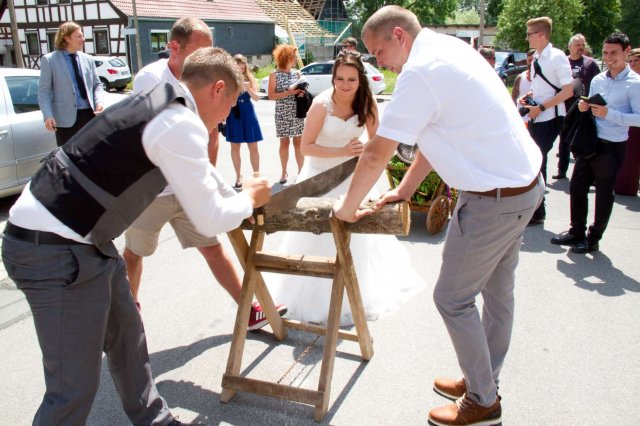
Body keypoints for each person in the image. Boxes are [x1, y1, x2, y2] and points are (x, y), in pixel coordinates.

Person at [2, 47, 271, 426]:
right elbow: (209, 219)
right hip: (53, 250)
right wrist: (249, 199)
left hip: (84, 240)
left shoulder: (162, 100)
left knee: (129, 341)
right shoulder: (181, 123)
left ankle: (156, 421)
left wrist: (236, 195)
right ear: (218, 89)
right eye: (231, 105)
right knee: (72, 390)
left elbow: (203, 175)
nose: (228, 116)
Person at [333, 6, 543, 425]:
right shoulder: (447, 49)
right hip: (522, 188)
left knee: (452, 298)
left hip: (492, 200)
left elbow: (376, 153)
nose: (379, 63)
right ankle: (484, 379)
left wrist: (347, 208)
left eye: (378, 52)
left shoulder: (420, 72)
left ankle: (483, 401)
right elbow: (435, 134)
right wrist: (405, 190)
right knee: (498, 295)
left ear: (398, 35)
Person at [123, 18, 282, 330]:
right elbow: (181, 157)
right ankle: (128, 312)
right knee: (134, 253)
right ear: (174, 47)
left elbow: (197, 163)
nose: (203, 60)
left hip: (184, 187)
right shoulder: (154, 84)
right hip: (150, 192)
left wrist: (231, 197)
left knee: (213, 248)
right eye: (198, 52)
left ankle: (248, 309)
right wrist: (245, 202)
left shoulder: (195, 95)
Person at [266, 52, 426, 325]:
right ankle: (313, 296)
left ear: (360, 79)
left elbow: (378, 142)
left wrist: (365, 151)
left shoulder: (368, 103)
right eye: (339, 79)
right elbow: (306, 148)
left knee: (357, 239)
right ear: (333, 78)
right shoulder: (321, 105)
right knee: (316, 236)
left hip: (354, 176)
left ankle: (354, 289)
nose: (345, 85)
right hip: (320, 176)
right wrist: (342, 151)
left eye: (351, 79)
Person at [551, 32, 640, 254]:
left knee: (603, 192)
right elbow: (591, 106)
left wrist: (610, 114)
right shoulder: (599, 79)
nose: (608, 58)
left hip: (612, 145)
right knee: (577, 186)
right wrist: (584, 107)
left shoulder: (635, 83)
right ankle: (576, 232)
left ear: (627, 52)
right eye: (605, 52)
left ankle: (593, 238)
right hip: (590, 140)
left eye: (614, 53)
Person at [522, 16, 573, 226]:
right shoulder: (537, 57)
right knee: (535, 162)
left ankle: (538, 211)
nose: (527, 38)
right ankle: (536, 210)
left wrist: (541, 107)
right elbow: (542, 88)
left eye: (530, 34)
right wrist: (529, 97)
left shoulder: (556, 57)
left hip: (550, 117)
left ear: (541, 35)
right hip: (538, 115)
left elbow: (568, 91)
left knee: (537, 162)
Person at [38, 21, 104, 146]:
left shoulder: (88, 59)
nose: (83, 39)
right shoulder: (50, 60)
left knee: (92, 153)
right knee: (68, 156)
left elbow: (97, 85)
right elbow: (44, 91)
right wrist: (47, 115)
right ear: (66, 38)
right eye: (79, 36)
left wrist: (99, 102)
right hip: (65, 121)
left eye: (82, 36)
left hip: (90, 115)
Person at [555, 33, 602, 179]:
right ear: (569, 47)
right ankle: (561, 170)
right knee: (563, 140)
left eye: (583, 45)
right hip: (564, 107)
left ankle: (584, 173)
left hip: (583, 108)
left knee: (580, 140)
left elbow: (599, 84)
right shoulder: (562, 62)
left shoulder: (590, 63)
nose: (581, 47)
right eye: (577, 45)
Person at [268, 44, 305, 184]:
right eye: (293, 57)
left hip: (297, 111)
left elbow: (302, 91)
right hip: (282, 113)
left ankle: (301, 172)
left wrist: (301, 92)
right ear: (285, 58)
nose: (295, 59)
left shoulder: (297, 73)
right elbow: (271, 96)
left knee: (298, 143)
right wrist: (288, 93)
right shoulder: (274, 75)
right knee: (284, 143)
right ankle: (284, 171)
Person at [226, 54, 263, 188]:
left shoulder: (249, 78)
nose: (240, 71)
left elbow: (257, 98)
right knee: (235, 146)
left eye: (242, 68)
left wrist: (248, 89)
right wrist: (237, 91)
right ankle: (238, 176)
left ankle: (256, 176)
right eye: (238, 68)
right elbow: (230, 102)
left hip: (248, 113)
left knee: (253, 146)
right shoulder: (228, 80)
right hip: (234, 114)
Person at [614, 47, 640, 195]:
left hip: (636, 120)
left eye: (636, 60)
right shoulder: (626, 78)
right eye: (630, 61)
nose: (633, 63)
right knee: (628, 154)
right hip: (627, 121)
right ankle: (625, 185)